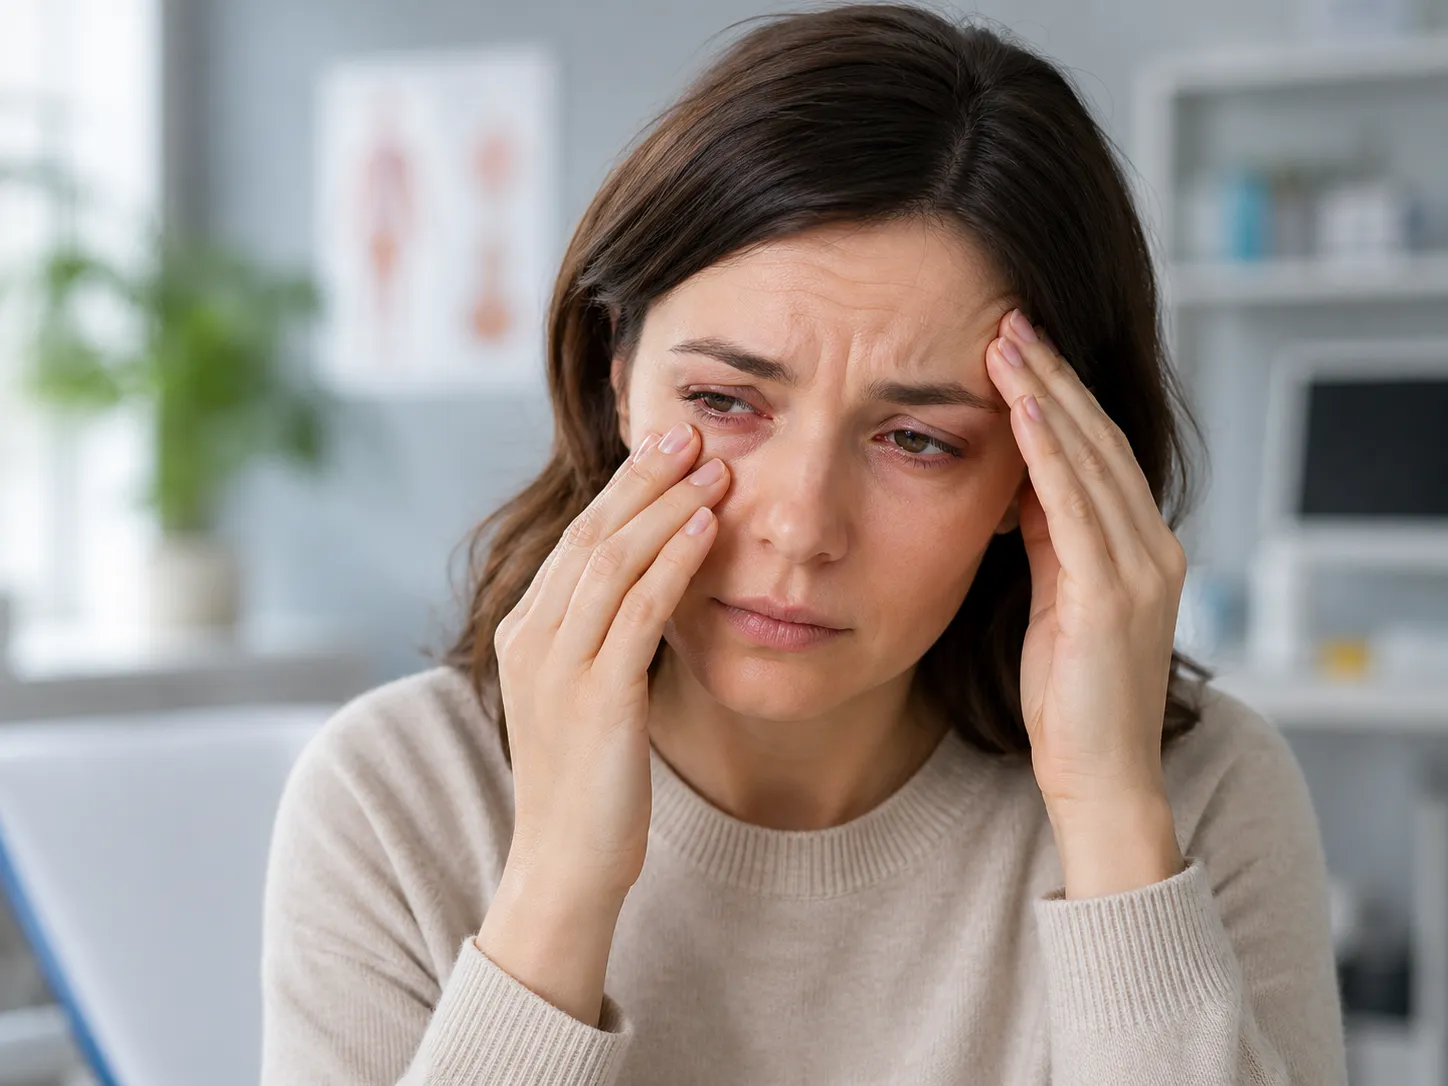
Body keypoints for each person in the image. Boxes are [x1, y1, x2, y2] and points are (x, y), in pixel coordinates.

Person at [260, 6, 1349, 1083]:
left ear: (1043, 477)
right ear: (614, 381)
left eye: (917, 439)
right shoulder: (396, 797)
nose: (798, 527)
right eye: (726, 400)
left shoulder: (1201, 793)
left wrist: (1111, 819)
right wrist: (556, 886)